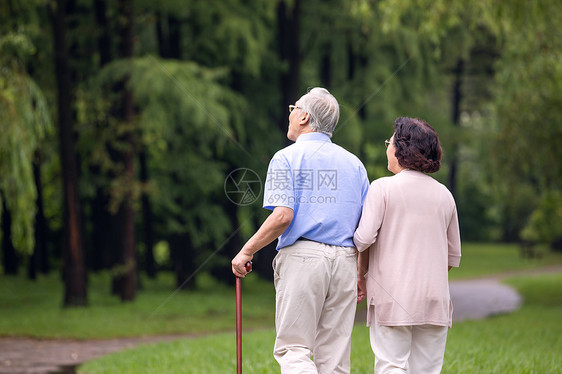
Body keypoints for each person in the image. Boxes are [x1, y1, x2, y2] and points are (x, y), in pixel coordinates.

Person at [232, 87, 369, 374]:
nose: (290, 113)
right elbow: (363, 227)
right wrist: (360, 271)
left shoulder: (286, 158)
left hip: (304, 259)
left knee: (294, 350)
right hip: (345, 262)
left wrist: (246, 250)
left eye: (294, 108)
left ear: (305, 117)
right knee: (334, 358)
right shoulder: (354, 164)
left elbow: (282, 216)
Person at [354, 117, 461, 374]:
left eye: (389, 142)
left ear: (402, 149)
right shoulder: (445, 195)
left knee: (391, 366)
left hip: (391, 296)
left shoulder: (381, 188)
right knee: (427, 370)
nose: (387, 148)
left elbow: (363, 238)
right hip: (435, 299)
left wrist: (361, 274)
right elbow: (452, 256)